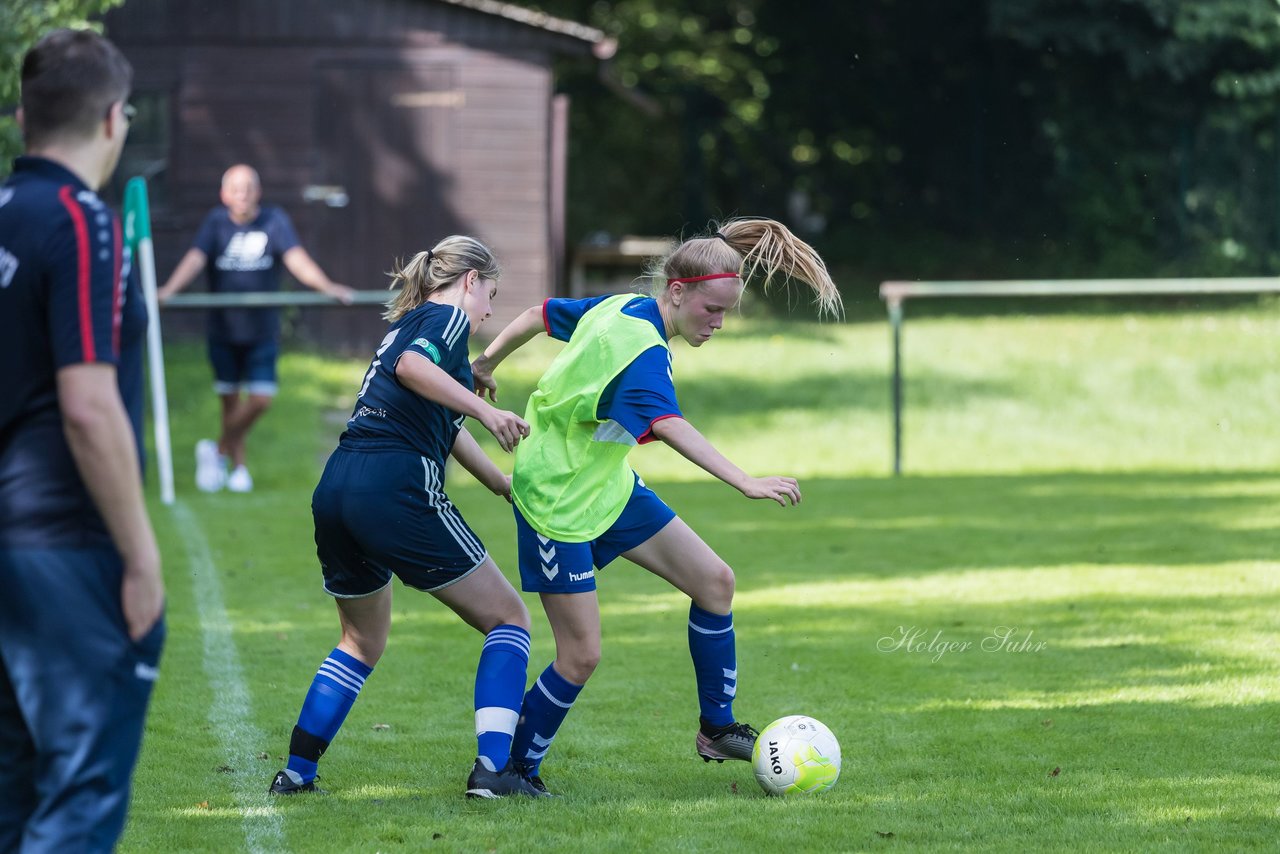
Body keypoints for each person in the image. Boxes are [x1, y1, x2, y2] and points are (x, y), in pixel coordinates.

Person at [471, 217, 842, 794]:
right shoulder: (642, 351)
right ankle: (511, 769)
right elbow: (669, 426)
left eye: (726, 312)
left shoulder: (622, 307)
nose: (718, 323)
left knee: (715, 582)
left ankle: (717, 729)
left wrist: (487, 363)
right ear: (678, 291)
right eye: (711, 310)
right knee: (580, 655)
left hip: (606, 487)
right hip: (556, 500)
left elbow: (539, 315)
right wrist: (743, 480)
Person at [269, 237, 544, 799]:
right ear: (470, 280)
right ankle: (494, 772)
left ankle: (297, 773)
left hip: (338, 485)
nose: (489, 311)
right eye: (490, 295)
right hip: (394, 486)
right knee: (510, 620)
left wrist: (502, 484)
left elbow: (441, 417)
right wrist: (488, 408)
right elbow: (414, 368)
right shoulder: (445, 319)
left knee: (360, 642)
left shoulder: (409, 323)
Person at [0, 28, 166, 850]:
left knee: (13, 802)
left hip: (11, 553)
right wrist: (139, 556)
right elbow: (89, 406)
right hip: (66, 553)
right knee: (75, 805)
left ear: (25, 116)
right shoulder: (82, 220)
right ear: (112, 120)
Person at [156, 163, 355, 493]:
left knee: (260, 400)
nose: (243, 194)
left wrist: (328, 287)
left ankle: (215, 451)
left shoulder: (274, 221)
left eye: (248, 188)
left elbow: (297, 260)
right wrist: (168, 291)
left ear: (258, 192)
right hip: (223, 329)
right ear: (225, 194)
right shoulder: (215, 223)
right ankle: (238, 471)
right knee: (230, 403)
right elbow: (195, 259)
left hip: (262, 329)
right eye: (236, 188)